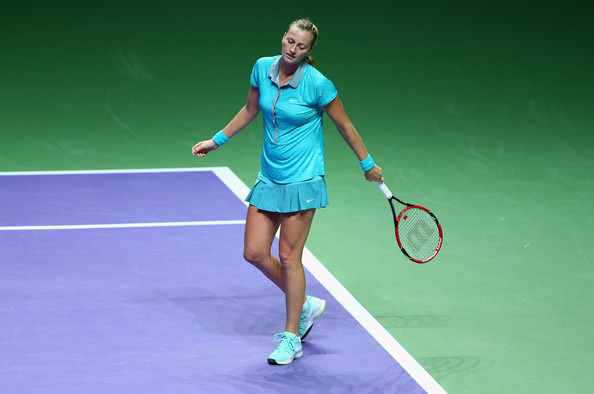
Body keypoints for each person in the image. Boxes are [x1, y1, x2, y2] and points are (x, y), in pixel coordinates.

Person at [192, 18, 383, 365]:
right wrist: (216, 141)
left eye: (302, 46)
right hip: (270, 177)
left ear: (310, 51)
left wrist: (367, 164)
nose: (293, 50)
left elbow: (345, 125)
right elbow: (250, 109)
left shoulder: (318, 84)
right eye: (290, 42)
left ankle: (291, 337)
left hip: (303, 181)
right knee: (253, 252)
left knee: (290, 258)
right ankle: (305, 303)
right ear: (283, 38)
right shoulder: (262, 67)